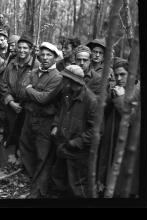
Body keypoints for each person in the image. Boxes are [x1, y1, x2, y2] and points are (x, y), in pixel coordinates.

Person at [18, 42, 63, 198]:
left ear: (55, 58)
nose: (44, 58)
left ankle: (38, 191)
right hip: (29, 117)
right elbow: (21, 92)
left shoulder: (58, 77)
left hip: (45, 120)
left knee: (42, 155)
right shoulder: (34, 71)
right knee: (25, 147)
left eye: (49, 55)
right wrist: (32, 92)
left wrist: (30, 89)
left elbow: (44, 99)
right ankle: (34, 180)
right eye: (42, 55)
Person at [50, 65, 97, 198]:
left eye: (66, 79)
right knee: (57, 178)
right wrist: (55, 125)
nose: (64, 82)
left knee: (77, 187)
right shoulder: (66, 93)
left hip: (78, 152)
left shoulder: (91, 100)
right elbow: (60, 111)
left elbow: (96, 131)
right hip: (62, 144)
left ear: (74, 82)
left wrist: (75, 143)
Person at [97, 57, 140, 197]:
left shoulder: (138, 92)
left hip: (127, 144)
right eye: (116, 75)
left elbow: (132, 120)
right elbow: (103, 109)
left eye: (123, 74)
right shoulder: (117, 89)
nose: (119, 78)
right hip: (111, 140)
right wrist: (111, 94)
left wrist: (121, 98)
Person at [0, 34, 39, 155]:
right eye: (20, 47)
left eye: (25, 48)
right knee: (10, 129)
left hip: (26, 105)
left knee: (23, 132)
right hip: (11, 104)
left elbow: (37, 87)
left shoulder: (36, 65)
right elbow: (3, 83)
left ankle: (19, 154)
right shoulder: (11, 63)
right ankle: (7, 153)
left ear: (30, 49)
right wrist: (10, 102)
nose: (22, 50)